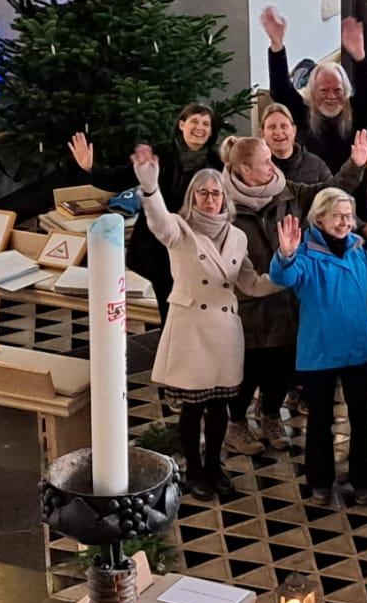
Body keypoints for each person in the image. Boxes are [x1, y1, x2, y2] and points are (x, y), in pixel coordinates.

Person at [131, 148, 284, 500]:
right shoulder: (179, 230)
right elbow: (158, 220)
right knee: (192, 407)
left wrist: (286, 273)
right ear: (192, 198)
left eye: (216, 193)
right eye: (203, 192)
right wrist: (150, 188)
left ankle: (214, 465)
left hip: (225, 331)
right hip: (191, 329)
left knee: (219, 406)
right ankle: (194, 471)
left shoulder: (237, 236)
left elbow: (250, 283)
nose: (211, 199)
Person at [270, 188, 367, 506]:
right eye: (338, 215)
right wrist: (285, 255)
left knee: (364, 418)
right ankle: (320, 482)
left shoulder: (357, 251)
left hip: (356, 350)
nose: (344, 221)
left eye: (348, 216)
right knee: (319, 421)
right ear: (320, 217)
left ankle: (364, 481)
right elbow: (284, 277)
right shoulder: (305, 252)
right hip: (319, 353)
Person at [220, 134, 367, 453]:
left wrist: (355, 165)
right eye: (265, 162)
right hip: (247, 303)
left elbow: (324, 194)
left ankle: (270, 414)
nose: (273, 165)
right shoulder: (224, 204)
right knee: (248, 369)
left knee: (283, 367)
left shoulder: (288, 191)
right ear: (244, 170)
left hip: (288, 298)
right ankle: (237, 424)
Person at [68, 103, 223, 313]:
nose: (200, 127)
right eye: (194, 121)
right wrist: (90, 167)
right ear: (181, 124)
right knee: (169, 310)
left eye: (206, 123)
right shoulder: (161, 154)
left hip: (197, 247)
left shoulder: (218, 163)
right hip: (159, 248)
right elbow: (120, 178)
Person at [262, 10, 367, 172]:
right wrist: (277, 45)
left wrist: (360, 55)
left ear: (345, 92)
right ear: (312, 93)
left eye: (337, 90)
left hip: (350, 191)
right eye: (324, 90)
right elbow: (280, 91)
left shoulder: (355, 113)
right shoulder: (302, 113)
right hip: (309, 190)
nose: (331, 96)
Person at [253, 103, 333, 186]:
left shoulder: (317, 166)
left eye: (284, 126)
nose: (278, 132)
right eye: (272, 127)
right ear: (262, 134)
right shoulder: (255, 167)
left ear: (294, 131)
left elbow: (334, 195)